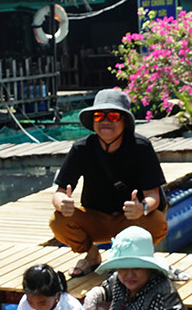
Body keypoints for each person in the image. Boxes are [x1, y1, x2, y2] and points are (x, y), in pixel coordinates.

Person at [51, 89, 167, 277]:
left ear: (124, 121)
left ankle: (135, 259)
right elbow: (59, 191)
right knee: (58, 221)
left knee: (158, 222)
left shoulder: (141, 147)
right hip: (94, 219)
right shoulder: (82, 148)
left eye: (113, 116)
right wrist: (62, 203)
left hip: (130, 220)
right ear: (93, 121)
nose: (105, 121)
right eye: (99, 116)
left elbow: (153, 194)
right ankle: (91, 254)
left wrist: (142, 208)